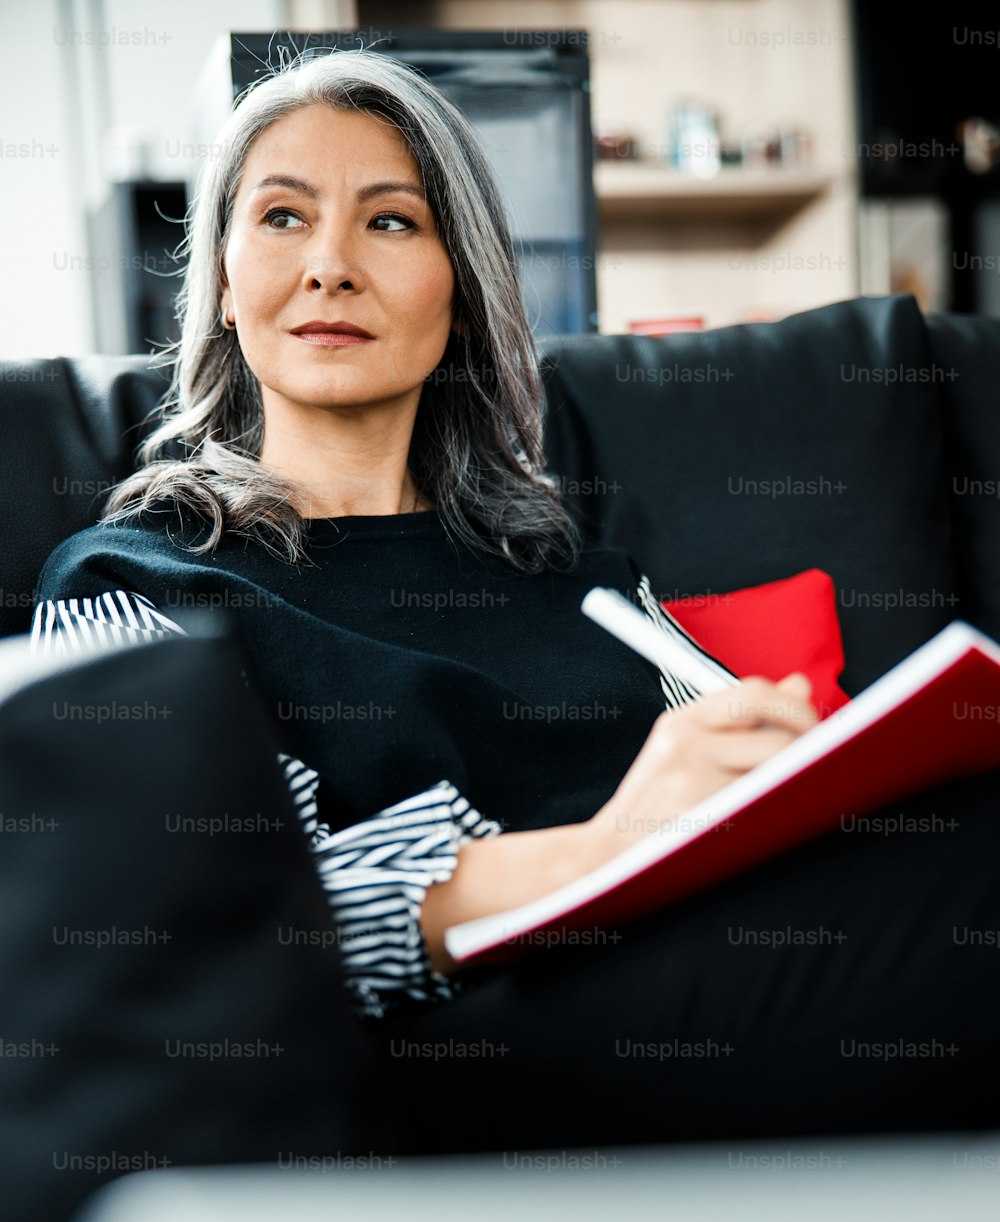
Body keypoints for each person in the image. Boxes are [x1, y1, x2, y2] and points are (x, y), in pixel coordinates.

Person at [32, 48, 1000, 1152]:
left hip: (747, 965)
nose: (331, 266)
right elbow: (210, 933)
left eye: (391, 222)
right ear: (216, 275)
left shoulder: (578, 582)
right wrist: (617, 837)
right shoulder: (135, 585)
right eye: (283, 217)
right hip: (462, 1056)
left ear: (464, 281)